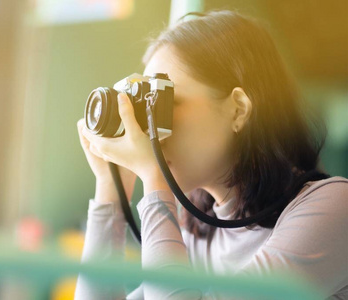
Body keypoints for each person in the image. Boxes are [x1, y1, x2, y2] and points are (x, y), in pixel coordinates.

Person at [74, 10, 348, 299]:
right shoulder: (199, 232)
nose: (150, 131)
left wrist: (154, 179)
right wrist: (110, 186)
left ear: (238, 109)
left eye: (165, 103)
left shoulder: (334, 208)